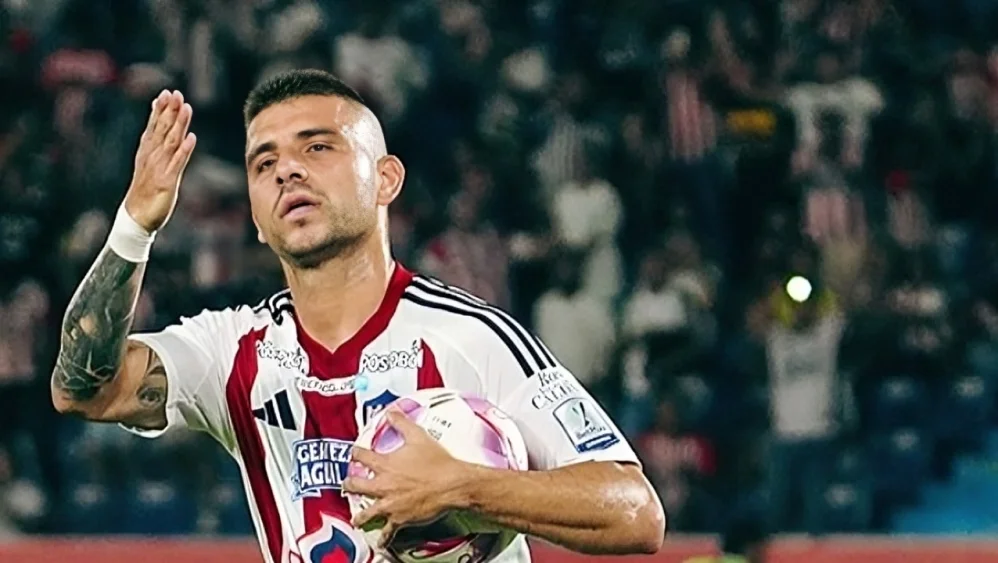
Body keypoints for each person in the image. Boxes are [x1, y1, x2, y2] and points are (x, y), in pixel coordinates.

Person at [49, 69, 665, 563]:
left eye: (318, 147)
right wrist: (134, 227)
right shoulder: (232, 349)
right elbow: (83, 391)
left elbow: (636, 513)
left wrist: (463, 488)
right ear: (258, 221)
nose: (288, 169)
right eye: (264, 164)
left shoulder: (472, 338)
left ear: (386, 179)